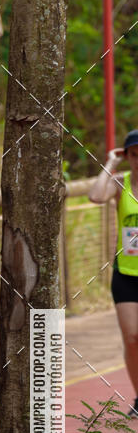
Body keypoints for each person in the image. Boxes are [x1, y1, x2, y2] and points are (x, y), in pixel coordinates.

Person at [89, 129, 138, 416]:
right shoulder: (121, 185)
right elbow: (96, 196)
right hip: (126, 275)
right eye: (134, 155)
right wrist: (110, 163)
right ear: (128, 156)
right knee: (132, 337)